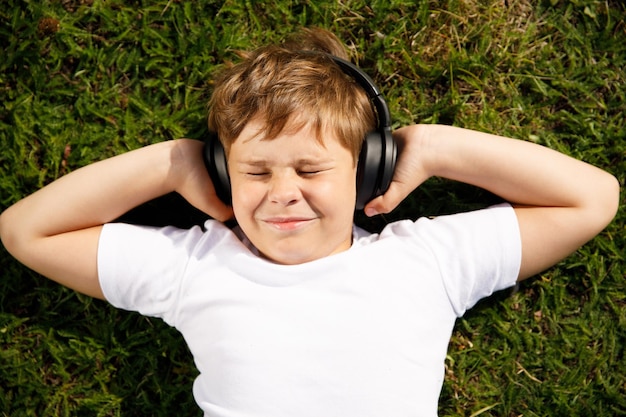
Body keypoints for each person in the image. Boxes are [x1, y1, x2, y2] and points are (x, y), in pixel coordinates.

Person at [0, 28, 619, 416]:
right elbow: (24, 230)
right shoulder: (195, 267)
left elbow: (592, 197)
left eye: (310, 169)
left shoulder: (426, 260)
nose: (282, 194)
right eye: (256, 172)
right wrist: (173, 164)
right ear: (224, 174)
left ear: (369, 171)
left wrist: (434, 148)